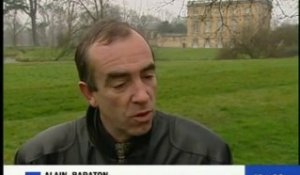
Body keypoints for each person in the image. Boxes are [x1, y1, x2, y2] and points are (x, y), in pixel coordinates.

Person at [14, 19, 232, 164]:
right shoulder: (41, 159)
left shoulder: (205, 155)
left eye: (148, 76)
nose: (142, 96)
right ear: (89, 93)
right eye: (120, 84)